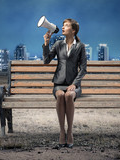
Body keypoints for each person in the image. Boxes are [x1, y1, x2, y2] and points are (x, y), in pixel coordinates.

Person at [42, 18, 87, 148]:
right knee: (61, 95)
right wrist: (46, 43)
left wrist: (75, 84)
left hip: (74, 85)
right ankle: (62, 132)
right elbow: (46, 61)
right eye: (62, 25)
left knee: (68, 95)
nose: (62, 27)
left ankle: (70, 132)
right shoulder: (58, 44)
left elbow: (83, 69)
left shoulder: (80, 46)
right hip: (59, 84)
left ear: (73, 30)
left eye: (66, 26)